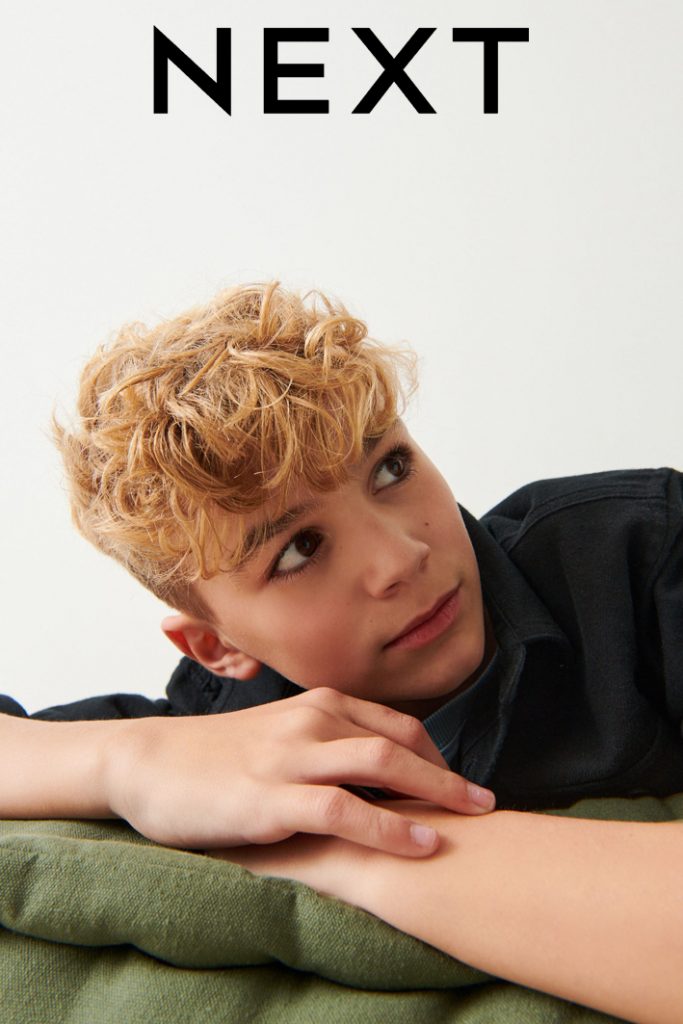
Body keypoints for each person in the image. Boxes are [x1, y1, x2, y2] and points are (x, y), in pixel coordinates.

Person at [1, 282, 681, 1023]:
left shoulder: (639, 555)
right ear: (216, 646)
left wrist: (341, 852)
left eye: (390, 468)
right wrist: (128, 763)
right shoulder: (219, 732)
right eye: (299, 549)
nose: (400, 558)